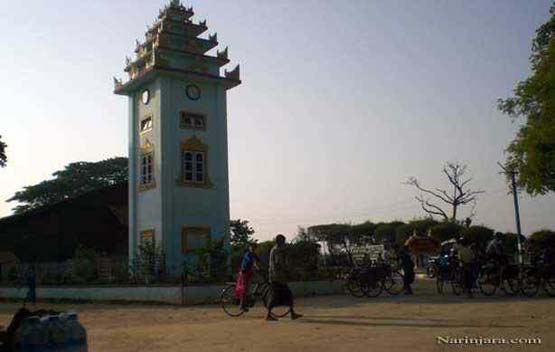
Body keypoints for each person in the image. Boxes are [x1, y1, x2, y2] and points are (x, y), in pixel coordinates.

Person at [266, 234, 302, 321]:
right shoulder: (277, 250)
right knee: (275, 297)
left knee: (287, 295)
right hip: (277, 278)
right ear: (279, 241)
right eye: (283, 241)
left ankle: (292, 313)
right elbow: (278, 264)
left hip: (278, 277)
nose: (284, 243)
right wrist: (287, 270)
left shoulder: (276, 249)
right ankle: (268, 315)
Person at [237, 243, 260, 311]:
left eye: (254, 248)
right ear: (249, 248)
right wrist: (256, 267)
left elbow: (258, 261)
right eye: (252, 247)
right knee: (245, 288)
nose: (253, 249)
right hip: (244, 272)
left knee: (259, 281)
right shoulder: (247, 254)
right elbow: (251, 262)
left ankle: (251, 296)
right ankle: (241, 305)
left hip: (250, 272)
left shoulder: (253, 254)